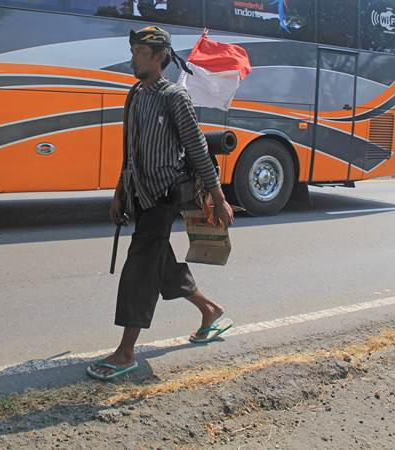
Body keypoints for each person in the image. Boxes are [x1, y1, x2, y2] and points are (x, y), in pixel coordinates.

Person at [87, 26, 234, 381]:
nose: (133, 58)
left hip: (164, 196)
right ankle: (210, 310)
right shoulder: (136, 95)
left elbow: (197, 148)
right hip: (140, 195)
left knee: (140, 268)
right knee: (160, 263)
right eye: (133, 51)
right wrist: (119, 192)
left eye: (140, 52)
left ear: (159, 57)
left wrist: (218, 196)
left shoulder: (174, 97)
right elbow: (130, 150)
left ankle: (126, 352)